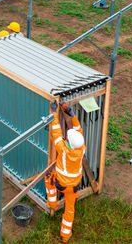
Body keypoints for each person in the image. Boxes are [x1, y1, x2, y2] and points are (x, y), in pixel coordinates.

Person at [45, 102, 85, 243]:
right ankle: (65, 236)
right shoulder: (81, 149)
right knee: (70, 209)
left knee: (48, 177)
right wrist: (72, 115)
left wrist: (54, 112)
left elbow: (56, 130)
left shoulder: (62, 149)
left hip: (60, 184)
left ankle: (52, 204)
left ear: (68, 141)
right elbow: (79, 131)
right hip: (74, 186)